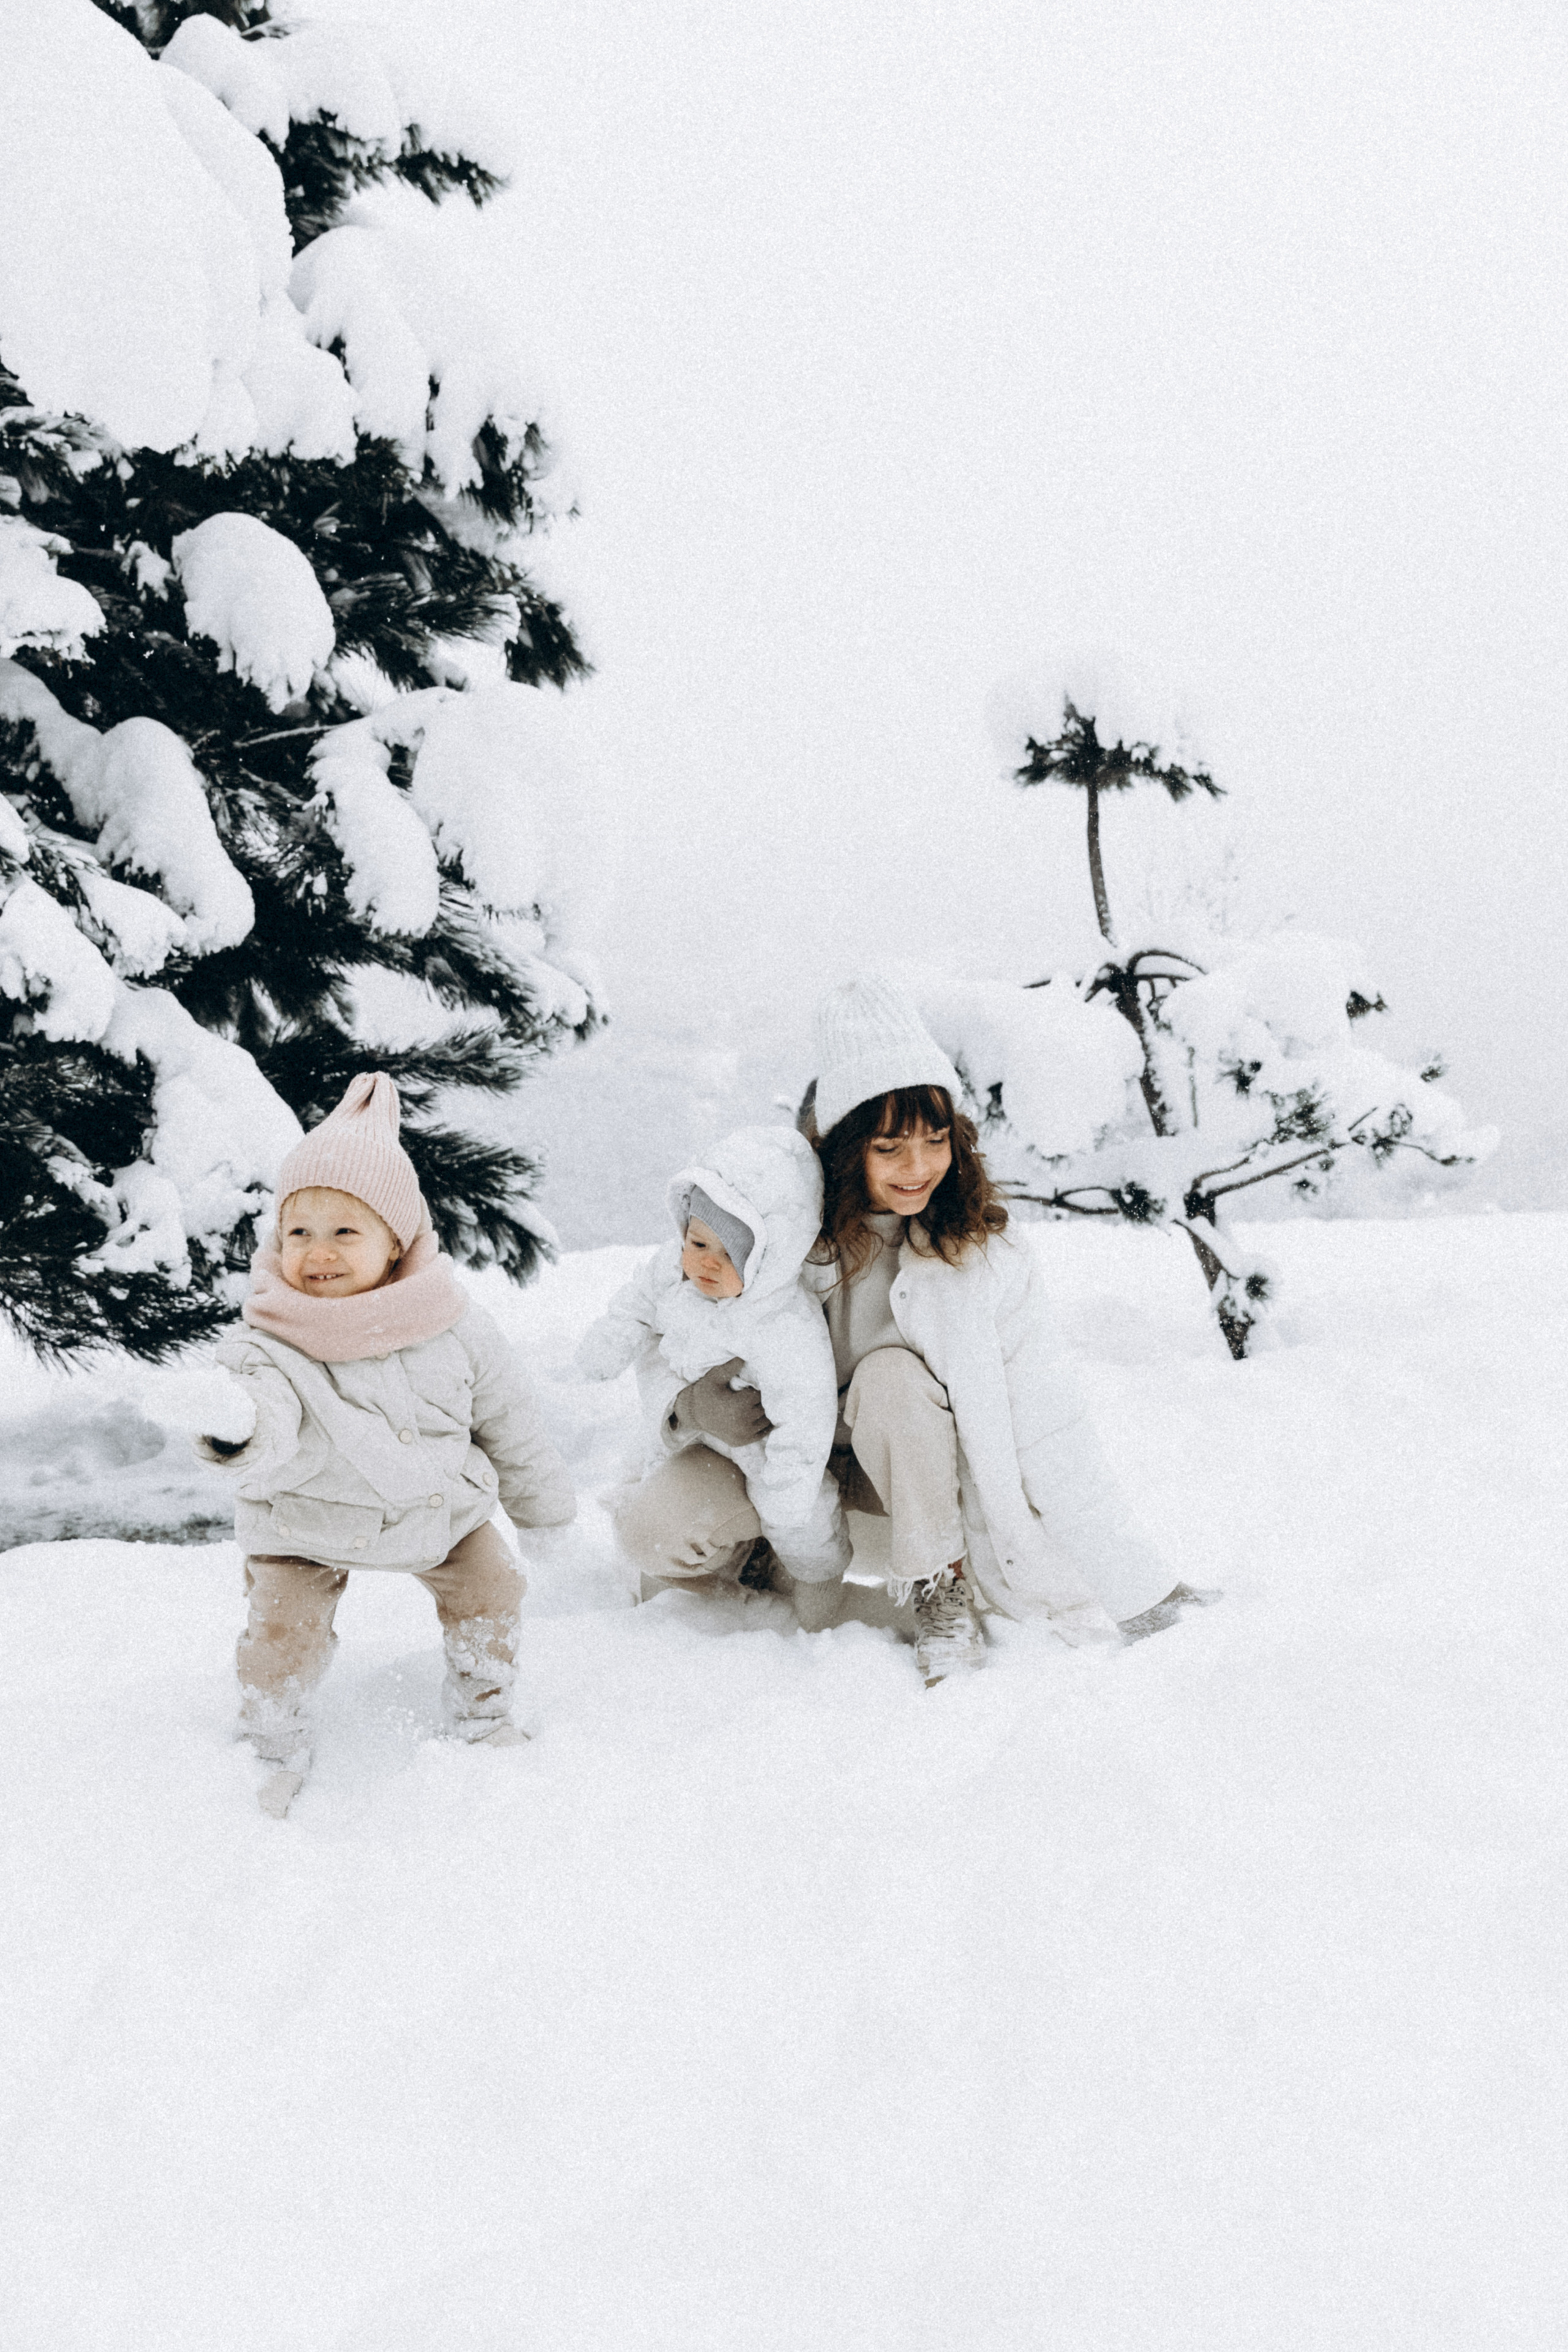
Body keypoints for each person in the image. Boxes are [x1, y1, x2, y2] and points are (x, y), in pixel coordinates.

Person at [160, 1072, 574, 1816]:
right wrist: (235, 1422)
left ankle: (484, 1713)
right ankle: (272, 1738)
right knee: (281, 1631)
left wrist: (543, 1511)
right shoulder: (268, 1335)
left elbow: (511, 1421)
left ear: (397, 1242)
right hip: (301, 1521)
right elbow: (265, 1408)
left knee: (492, 1590)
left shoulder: (453, 1322)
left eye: (345, 1231)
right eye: (299, 1232)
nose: (318, 1252)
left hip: (437, 1513)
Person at [799, 977, 1204, 1682]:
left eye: (934, 1140)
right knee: (661, 1532)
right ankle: (745, 1593)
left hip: (919, 1502)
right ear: (845, 1149)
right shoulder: (786, 1239)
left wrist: (1142, 1592)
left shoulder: (983, 1257)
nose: (918, 1167)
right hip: (792, 1483)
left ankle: (939, 1597)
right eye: (889, 1147)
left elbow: (1052, 1428)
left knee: (890, 1377)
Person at [578, 1125, 851, 1630]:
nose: (706, 1262)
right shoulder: (675, 1270)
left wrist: (789, 1489)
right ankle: (713, 1594)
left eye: (729, 1254)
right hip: (694, 1435)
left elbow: (807, 1408)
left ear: (767, 1261)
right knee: (652, 1521)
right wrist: (609, 1344)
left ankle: (817, 1586)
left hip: (766, 1449)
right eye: (698, 1241)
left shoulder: (783, 1323)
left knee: (803, 1522)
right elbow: (636, 1305)